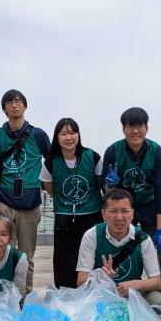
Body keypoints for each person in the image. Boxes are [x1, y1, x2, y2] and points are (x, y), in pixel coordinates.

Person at [0, 89, 51, 293]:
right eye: (10, 102)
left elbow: (51, 163)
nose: (15, 105)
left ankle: (25, 295)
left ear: (25, 105)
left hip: (30, 203)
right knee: (3, 251)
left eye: (18, 101)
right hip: (5, 199)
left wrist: (48, 189)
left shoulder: (38, 135)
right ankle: (3, 294)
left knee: (26, 255)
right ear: (4, 108)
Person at [101, 107, 161, 288]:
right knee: (118, 250)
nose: (135, 131)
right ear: (123, 129)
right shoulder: (113, 151)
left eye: (140, 126)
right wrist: (109, 184)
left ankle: (157, 293)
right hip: (123, 210)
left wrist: (160, 229)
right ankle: (116, 289)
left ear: (147, 128)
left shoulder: (157, 152)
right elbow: (106, 194)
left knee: (157, 253)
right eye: (130, 126)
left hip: (148, 208)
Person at [40, 117, 103, 288]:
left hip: (91, 216)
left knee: (93, 259)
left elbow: (101, 184)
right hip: (64, 218)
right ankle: (65, 296)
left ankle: (94, 294)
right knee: (64, 261)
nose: (68, 137)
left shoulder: (93, 157)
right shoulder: (51, 162)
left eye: (72, 132)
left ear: (78, 135)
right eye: (63, 133)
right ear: (57, 137)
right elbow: (49, 188)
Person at [76, 189, 161, 304]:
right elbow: (80, 281)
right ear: (103, 214)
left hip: (133, 295)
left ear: (132, 213)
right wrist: (100, 276)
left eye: (125, 211)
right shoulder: (92, 235)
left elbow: (157, 282)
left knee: (159, 301)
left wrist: (134, 285)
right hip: (100, 295)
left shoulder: (143, 239)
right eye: (113, 211)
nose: (119, 217)